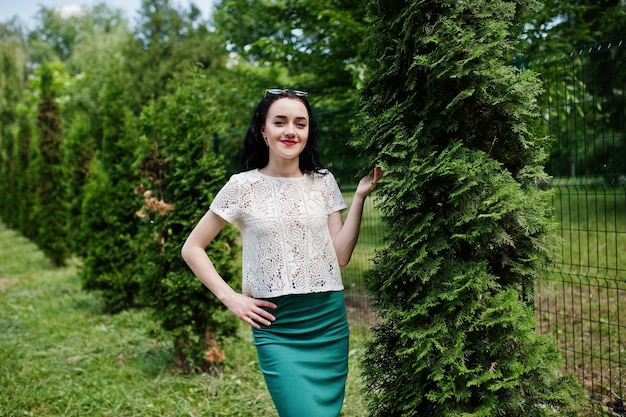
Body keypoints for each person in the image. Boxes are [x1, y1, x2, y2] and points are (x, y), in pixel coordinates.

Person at [181, 88, 382, 417]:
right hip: (277, 324)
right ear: (263, 129)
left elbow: (341, 255)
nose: (291, 130)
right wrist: (229, 297)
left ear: (308, 132)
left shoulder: (324, 182)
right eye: (280, 122)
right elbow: (192, 248)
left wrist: (358, 197)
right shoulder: (242, 186)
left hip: (327, 321)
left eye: (300, 123)